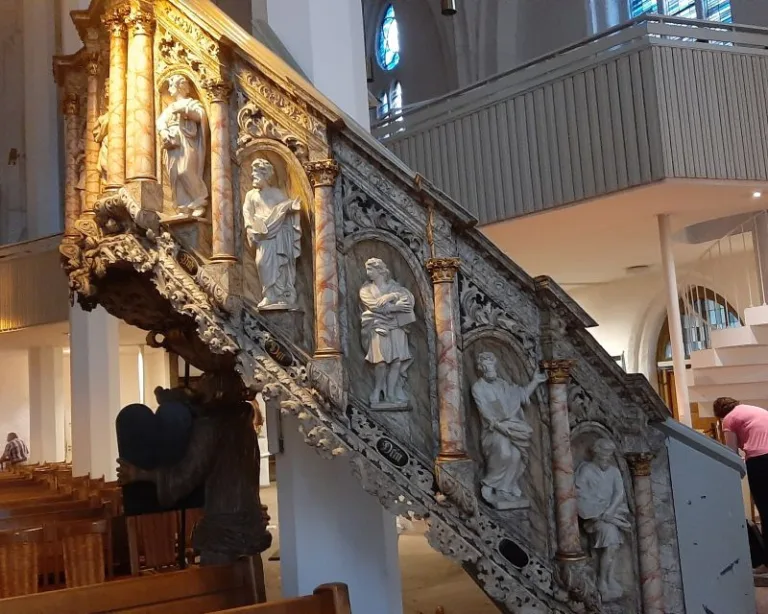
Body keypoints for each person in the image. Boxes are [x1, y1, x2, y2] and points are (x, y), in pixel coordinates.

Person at [117, 373, 271, 565]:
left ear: (215, 392)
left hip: (224, 527)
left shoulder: (210, 427)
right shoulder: (241, 422)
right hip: (249, 519)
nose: (198, 388)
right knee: (249, 580)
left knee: (219, 586)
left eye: (203, 384)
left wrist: (141, 474)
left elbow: (186, 476)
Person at [471, 351, 547, 509]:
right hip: (494, 429)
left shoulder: (502, 384)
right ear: (481, 369)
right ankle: (490, 485)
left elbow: (521, 395)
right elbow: (484, 411)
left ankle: (505, 490)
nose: (490, 371)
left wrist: (535, 381)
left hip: (513, 426)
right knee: (504, 453)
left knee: (516, 455)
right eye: (486, 368)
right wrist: (500, 427)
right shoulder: (478, 387)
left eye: (492, 367)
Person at [714, 396, 768, 571]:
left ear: (720, 414)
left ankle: (766, 563)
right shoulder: (756, 410)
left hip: (761, 461)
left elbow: (731, 452)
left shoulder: (729, 419)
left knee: (765, 511)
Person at [574, 438, 631, 602]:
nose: (607, 456)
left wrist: (610, 510)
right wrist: (597, 510)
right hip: (595, 517)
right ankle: (602, 580)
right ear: (596, 452)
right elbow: (579, 494)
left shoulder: (613, 472)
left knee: (612, 547)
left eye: (609, 453)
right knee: (611, 542)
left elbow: (619, 493)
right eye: (604, 452)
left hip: (612, 514)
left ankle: (607, 578)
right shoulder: (586, 470)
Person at [242, 158, 302, 308]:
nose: (253, 178)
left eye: (256, 176)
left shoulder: (276, 193)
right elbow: (247, 212)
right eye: (252, 175)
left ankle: (280, 295)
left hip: (277, 235)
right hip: (261, 235)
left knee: (280, 264)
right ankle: (268, 294)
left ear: (265, 177)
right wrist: (250, 227)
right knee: (261, 263)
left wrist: (292, 208)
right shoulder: (251, 195)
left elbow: (286, 209)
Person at [359, 257, 416, 407]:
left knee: (396, 362)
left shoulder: (394, 287)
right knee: (381, 362)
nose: (368, 272)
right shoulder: (366, 290)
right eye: (367, 269)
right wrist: (395, 308)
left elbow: (408, 298)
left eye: (371, 269)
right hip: (377, 325)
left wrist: (391, 296)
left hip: (396, 327)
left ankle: (391, 393)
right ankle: (377, 390)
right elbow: (374, 306)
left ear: (380, 270)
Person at [157, 74, 209, 217]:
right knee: (175, 175)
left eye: (171, 86)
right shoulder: (170, 107)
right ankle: (182, 207)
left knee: (185, 171)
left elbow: (200, 116)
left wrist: (184, 111)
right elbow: (160, 122)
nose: (170, 90)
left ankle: (199, 201)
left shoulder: (191, 103)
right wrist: (163, 132)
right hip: (172, 144)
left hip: (186, 141)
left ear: (179, 87)